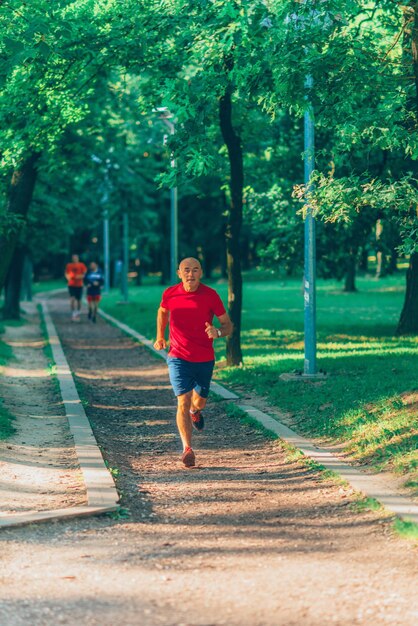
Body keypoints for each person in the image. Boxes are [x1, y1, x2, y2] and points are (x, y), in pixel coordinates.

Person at [154, 257, 233, 468]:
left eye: (195, 270)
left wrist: (217, 332)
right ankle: (187, 448)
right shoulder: (170, 293)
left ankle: (195, 413)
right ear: (179, 273)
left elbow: (227, 325)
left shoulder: (210, 295)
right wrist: (160, 336)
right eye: (186, 270)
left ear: (201, 273)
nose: (191, 274)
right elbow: (162, 312)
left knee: (199, 402)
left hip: (204, 358)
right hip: (178, 356)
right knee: (183, 400)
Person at [65, 254, 87, 322]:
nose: (74, 259)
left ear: (78, 258)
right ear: (72, 259)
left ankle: (78, 311)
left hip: (79, 285)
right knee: (72, 299)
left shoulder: (81, 265)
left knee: (79, 300)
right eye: (73, 258)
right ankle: (73, 313)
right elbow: (67, 274)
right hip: (71, 285)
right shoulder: (69, 265)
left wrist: (80, 276)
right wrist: (71, 277)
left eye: (76, 258)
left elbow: (84, 273)